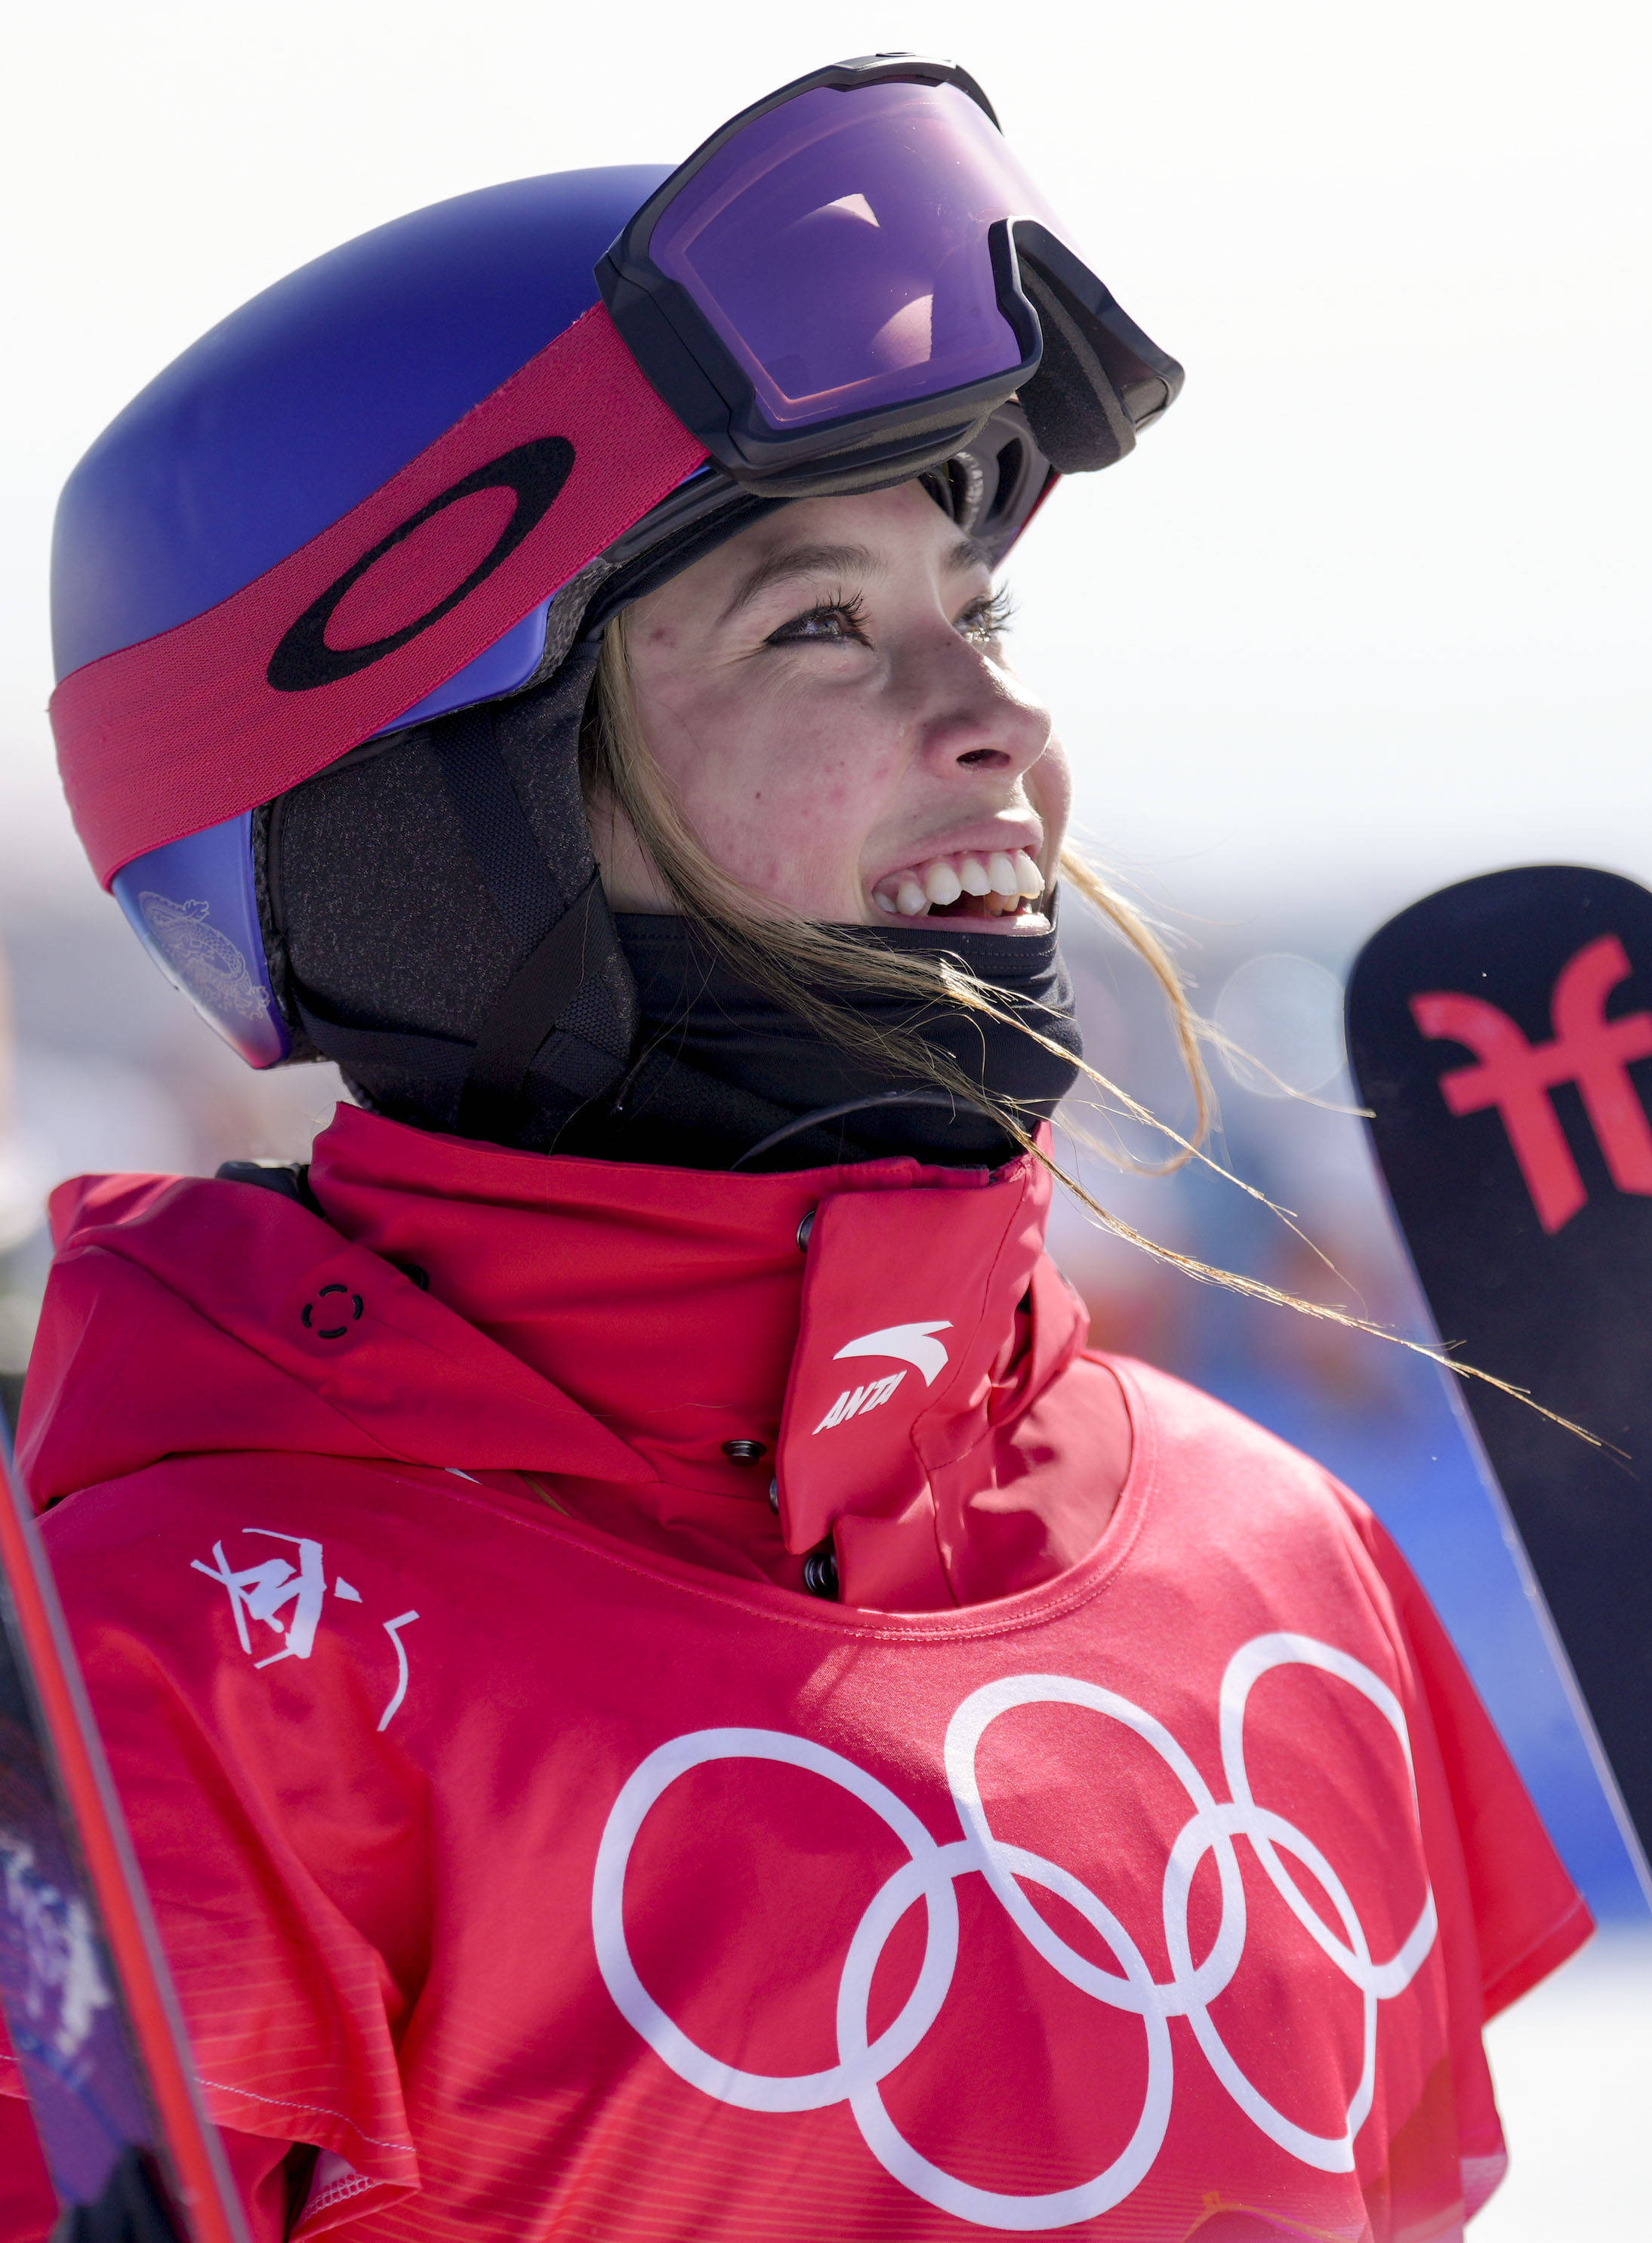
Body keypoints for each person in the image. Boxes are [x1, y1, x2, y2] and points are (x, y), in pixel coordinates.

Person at [1, 54, 1590, 2243]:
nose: (1000, 725)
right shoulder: (183, 1669)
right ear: (442, 832)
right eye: (818, 623)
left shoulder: (1268, 1556)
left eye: (982, 607)